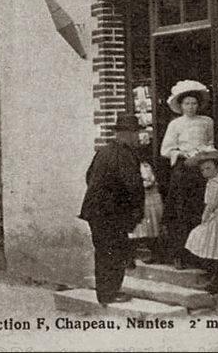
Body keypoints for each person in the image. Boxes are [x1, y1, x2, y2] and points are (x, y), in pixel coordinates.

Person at [78, 113, 144, 306]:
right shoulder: (125, 154)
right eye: (135, 134)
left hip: (95, 211)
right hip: (111, 213)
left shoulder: (104, 151)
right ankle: (109, 294)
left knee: (104, 252)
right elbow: (132, 185)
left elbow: (89, 176)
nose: (137, 137)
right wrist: (135, 211)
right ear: (127, 135)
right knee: (114, 253)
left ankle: (105, 293)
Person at [160, 80, 214, 269]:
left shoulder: (207, 122)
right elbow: (165, 150)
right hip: (183, 171)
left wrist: (205, 153)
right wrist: (181, 153)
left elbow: (210, 142)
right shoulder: (176, 124)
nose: (191, 107)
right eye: (187, 103)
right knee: (181, 212)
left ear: (198, 105)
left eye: (194, 103)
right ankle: (179, 255)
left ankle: (199, 255)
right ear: (181, 106)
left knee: (200, 210)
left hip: (201, 170)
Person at [184, 150, 218, 294]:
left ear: (217, 168)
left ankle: (215, 280)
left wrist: (204, 218)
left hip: (217, 219)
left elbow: (211, 204)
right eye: (202, 170)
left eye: (209, 168)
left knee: (205, 240)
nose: (205, 172)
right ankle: (214, 278)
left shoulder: (214, 183)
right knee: (216, 247)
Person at [128, 159, 165, 268]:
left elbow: (148, 182)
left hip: (149, 199)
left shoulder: (145, 166)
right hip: (140, 200)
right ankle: (130, 257)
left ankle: (157, 254)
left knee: (150, 228)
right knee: (137, 230)